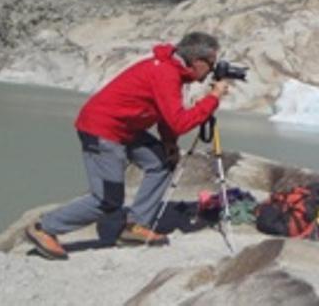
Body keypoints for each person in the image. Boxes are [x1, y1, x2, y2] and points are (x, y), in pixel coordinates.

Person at [25, 32, 231, 260]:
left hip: (125, 129)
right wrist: (213, 98)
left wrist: (169, 142)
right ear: (197, 61)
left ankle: (135, 226)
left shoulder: (174, 70)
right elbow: (180, 122)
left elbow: (166, 114)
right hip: (102, 129)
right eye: (211, 64)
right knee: (107, 200)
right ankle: (44, 228)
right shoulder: (165, 73)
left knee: (163, 162)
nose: (212, 70)